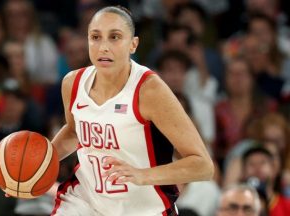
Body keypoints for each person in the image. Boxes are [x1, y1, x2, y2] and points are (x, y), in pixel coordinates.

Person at [42, 5, 214, 215]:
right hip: (86, 201)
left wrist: (142, 175)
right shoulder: (72, 83)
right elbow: (73, 132)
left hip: (144, 208)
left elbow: (203, 166)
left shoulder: (149, 90)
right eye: (95, 37)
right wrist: (35, 167)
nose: (103, 46)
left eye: (114, 37)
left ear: (133, 44)